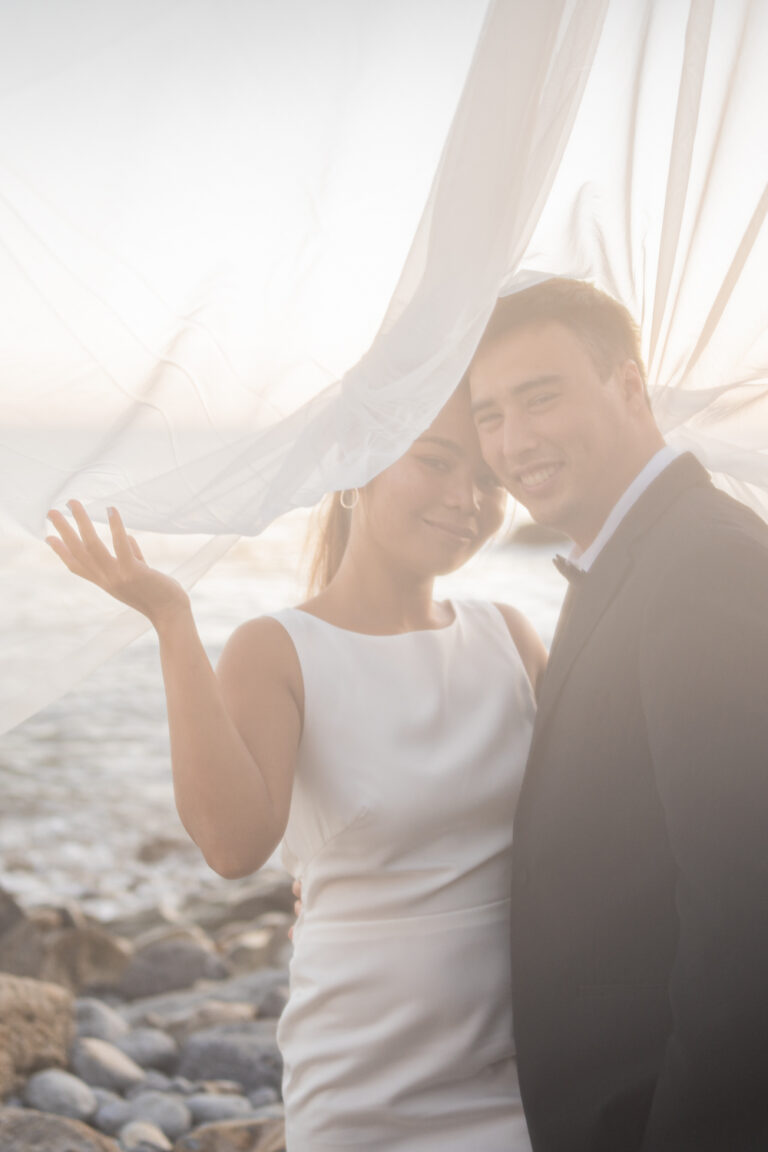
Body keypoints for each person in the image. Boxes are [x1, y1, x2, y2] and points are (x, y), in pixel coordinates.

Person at [45, 382, 546, 1152]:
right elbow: (233, 847)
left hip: (523, 1066)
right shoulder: (278, 649)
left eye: (488, 479)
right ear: (358, 470)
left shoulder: (509, 637)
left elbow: (595, 818)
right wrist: (172, 620)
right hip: (365, 1078)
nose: (466, 499)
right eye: (436, 462)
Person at [468, 277, 768, 1152]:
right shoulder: (633, 553)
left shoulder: (704, 564)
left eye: (541, 397)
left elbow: (747, 914)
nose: (514, 442)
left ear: (631, 387)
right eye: (489, 416)